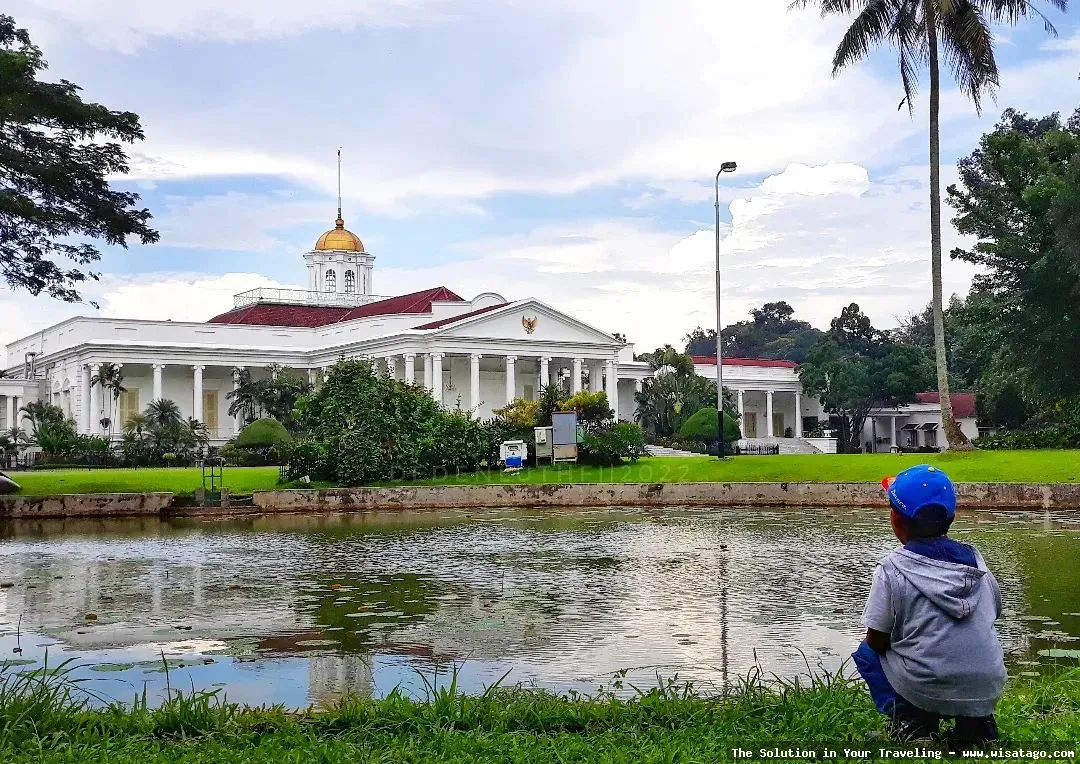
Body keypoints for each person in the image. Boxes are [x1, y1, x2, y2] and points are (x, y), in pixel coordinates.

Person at [852, 464, 1006, 745]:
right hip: (985, 688)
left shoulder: (891, 569)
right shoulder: (977, 562)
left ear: (895, 519)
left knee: (866, 654)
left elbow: (876, 640)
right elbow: (994, 613)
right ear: (952, 517)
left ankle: (912, 724)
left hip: (924, 688)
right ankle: (977, 725)